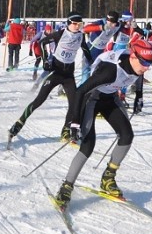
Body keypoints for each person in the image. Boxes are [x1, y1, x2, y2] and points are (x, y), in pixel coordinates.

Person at [51, 39, 152, 207]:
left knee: (127, 135)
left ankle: (108, 178)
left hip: (110, 98)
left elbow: (138, 74)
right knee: (88, 145)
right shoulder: (110, 71)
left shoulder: (137, 64)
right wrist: (75, 122)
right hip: (91, 98)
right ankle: (66, 186)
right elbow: (79, 91)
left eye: (150, 63)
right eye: (144, 62)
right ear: (134, 56)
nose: (147, 67)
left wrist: (139, 95)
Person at [8, 12, 93, 143]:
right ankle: (19, 123)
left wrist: (92, 63)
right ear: (69, 23)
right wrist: (45, 61)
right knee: (39, 100)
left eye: (80, 24)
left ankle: (65, 131)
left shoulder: (80, 37)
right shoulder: (60, 34)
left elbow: (86, 50)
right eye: (75, 24)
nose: (77, 27)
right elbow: (42, 43)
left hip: (68, 76)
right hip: (56, 73)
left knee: (74, 104)